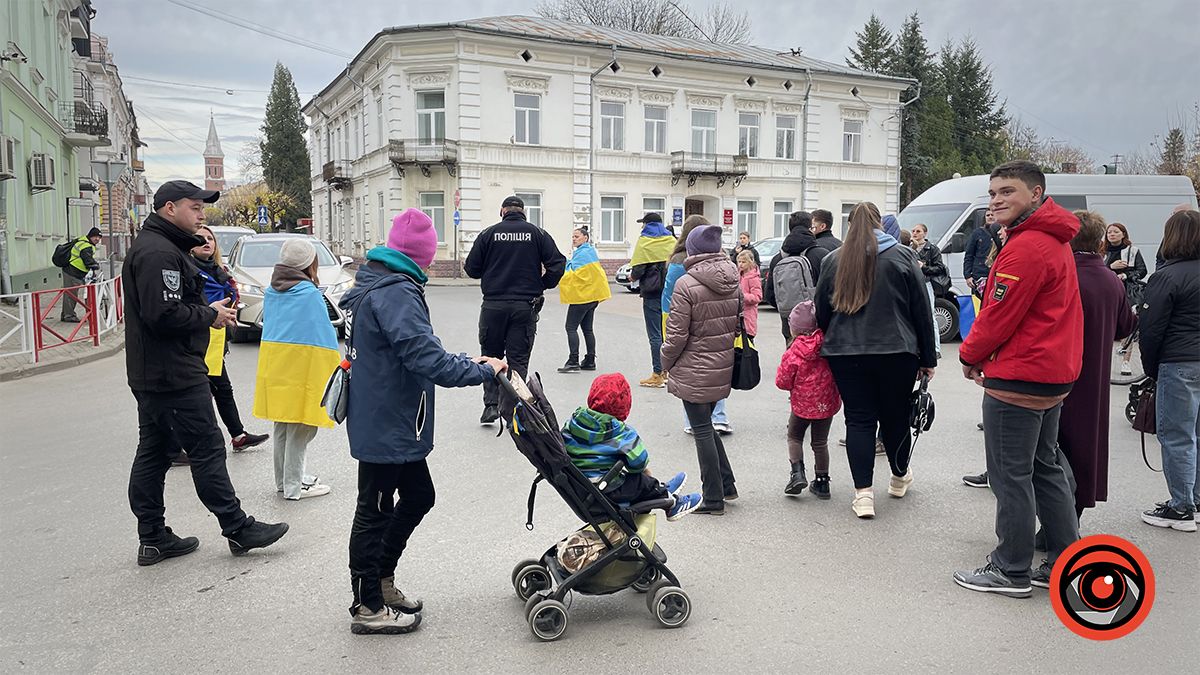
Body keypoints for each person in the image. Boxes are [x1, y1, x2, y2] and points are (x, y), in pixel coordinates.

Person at [341, 208, 508, 634]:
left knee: (418, 495)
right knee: (374, 511)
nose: (432, 264)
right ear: (421, 255)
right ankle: (368, 606)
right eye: (430, 256)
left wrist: (470, 361)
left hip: (388, 417)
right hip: (388, 420)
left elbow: (416, 349)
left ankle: (381, 579)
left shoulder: (381, 282)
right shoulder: (395, 291)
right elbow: (427, 359)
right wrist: (483, 370)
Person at [124, 180, 287, 566]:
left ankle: (152, 537)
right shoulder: (158, 253)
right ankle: (238, 528)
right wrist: (209, 314)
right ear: (169, 209)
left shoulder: (164, 247)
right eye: (195, 207)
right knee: (207, 448)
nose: (202, 215)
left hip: (158, 369)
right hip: (172, 371)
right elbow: (162, 314)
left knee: (155, 450)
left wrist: (206, 313)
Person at [954, 161, 1083, 597]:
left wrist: (970, 355)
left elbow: (998, 314)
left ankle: (1010, 568)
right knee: (1045, 467)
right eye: (992, 193)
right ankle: (1066, 560)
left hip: (1021, 376)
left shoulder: (1027, 246)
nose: (996, 200)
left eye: (1007, 191)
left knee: (1010, 475)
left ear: (1035, 192)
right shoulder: (1053, 240)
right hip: (1049, 373)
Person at [815, 202, 937, 519]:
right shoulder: (904, 256)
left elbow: (822, 312)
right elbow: (921, 311)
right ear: (880, 225)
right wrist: (927, 357)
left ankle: (863, 496)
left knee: (858, 420)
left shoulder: (833, 260)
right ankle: (898, 478)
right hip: (898, 352)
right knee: (895, 417)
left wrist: (836, 338)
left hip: (846, 352)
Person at [1056, 211, 1137, 526]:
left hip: (1058, 375)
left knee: (1054, 449)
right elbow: (1124, 327)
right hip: (1096, 376)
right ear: (1101, 241)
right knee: (1085, 445)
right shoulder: (1109, 279)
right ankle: (1073, 513)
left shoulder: (1063, 274)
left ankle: (1056, 524)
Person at [464, 195, 565, 424]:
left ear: (502, 211)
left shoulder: (488, 234)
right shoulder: (537, 234)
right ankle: (510, 412)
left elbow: (471, 268)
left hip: (493, 305)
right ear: (523, 212)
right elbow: (558, 264)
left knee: (491, 357)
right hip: (524, 306)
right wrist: (543, 283)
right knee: (518, 360)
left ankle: (490, 406)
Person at [252, 238, 339, 500]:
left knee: (284, 424)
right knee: (303, 426)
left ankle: (285, 479)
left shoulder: (272, 290)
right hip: (302, 367)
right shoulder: (309, 294)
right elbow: (323, 334)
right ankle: (293, 486)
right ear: (308, 264)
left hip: (277, 366)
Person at [661, 224, 740, 515]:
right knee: (706, 426)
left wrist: (664, 362)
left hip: (693, 367)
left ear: (692, 249)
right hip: (721, 364)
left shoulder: (686, 283)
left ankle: (713, 498)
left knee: (702, 430)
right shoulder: (734, 278)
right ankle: (727, 485)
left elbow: (676, 335)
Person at [562, 373, 703, 520]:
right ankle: (672, 503)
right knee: (640, 481)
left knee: (638, 481)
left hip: (581, 485)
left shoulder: (574, 421)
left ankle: (659, 488)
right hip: (607, 489)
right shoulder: (619, 432)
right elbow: (639, 463)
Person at [1139, 209, 1200, 532]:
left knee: (1177, 436)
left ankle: (1180, 507)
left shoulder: (1167, 276)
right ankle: (1196, 497)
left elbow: (1150, 329)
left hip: (1179, 360)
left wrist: (1151, 368)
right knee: (1197, 433)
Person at [191, 225, 269, 452]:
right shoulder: (189, 270)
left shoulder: (220, 271)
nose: (206, 242)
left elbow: (230, 298)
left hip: (216, 340)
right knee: (204, 393)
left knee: (221, 389)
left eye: (210, 238)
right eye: (200, 239)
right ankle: (183, 444)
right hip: (197, 340)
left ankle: (238, 435)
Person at [664, 215, 731, 435]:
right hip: (722, 338)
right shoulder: (729, 269)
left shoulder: (678, 264)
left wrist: (665, 362)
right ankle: (719, 418)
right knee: (716, 371)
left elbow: (676, 328)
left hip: (691, 334)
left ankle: (694, 423)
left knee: (693, 380)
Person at [776, 301, 840, 499]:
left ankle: (797, 473)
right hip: (825, 404)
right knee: (820, 442)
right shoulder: (828, 344)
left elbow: (782, 381)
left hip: (801, 405)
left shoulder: (794, 352)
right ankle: (822, 482)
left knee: (794, 436)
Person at [764, 211, 829, 342]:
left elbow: (769, 295)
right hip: (817, 324)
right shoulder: (822, 255)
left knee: (794, 358)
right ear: (810, 227)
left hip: (789, 326)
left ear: (790, 228)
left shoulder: (778, 258)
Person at [628, 212, 675, 388]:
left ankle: (657, 374)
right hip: (671, 293)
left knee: (655, 334)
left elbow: (638, 269)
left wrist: (633, 277)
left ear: (647, 225)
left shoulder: (644, 242)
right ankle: (668, 371)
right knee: (669, 332)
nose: (642, 227)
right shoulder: (671, 241)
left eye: (643, 224)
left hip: (652, 292)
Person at [556, 226, 610, 373]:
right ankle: (590, 360)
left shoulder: (582, 254)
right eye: (573, 237)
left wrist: (564, 263)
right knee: (587, 329)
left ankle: (573, 360)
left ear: (585, 238)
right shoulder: (590, 251)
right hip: (593, 297)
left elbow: (573, 274)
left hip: (582, 297)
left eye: (577, 236)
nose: (574, 239)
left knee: (570, 327)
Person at [1102, 222, 1148, 375]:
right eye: (1109, 232)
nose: (1112, 234)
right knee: (1106, 325)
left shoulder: (1132, 251)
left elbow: (1142, 270)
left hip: (1127, 292)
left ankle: (1126, 362)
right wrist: (1111, 268)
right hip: (1107, 291)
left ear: (1123, 234)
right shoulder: (1101, 251)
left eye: (1115, 231)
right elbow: (1096, 270)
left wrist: (1126, 275)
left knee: (1126, 326)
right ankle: (1103, 360)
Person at [59, 227, 102, 322]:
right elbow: (87, 260)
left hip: (73, 272)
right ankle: (69, 316)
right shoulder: (86, 246)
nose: (97, 239)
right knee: (71, 295)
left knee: (69, 294)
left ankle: (66, 314)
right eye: (95, 236)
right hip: (72, 272)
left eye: (99, 237)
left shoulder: (84, 242)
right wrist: (95, 265)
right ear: (90, 236)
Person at [963, 208, 1000, 295]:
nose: (990, 217)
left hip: (996, 273)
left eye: (992, 215)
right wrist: (968, 275)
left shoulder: (1001, 232)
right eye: (988, 215)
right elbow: (969, 255)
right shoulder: (977, 233)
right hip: (980, 275)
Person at [736, 250, 762, 340]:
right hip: (738, 316)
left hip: (748, 315)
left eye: (743, 262)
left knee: (748, 346)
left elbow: (757, 297)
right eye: (739, 262)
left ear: (750, 262)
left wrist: (742, 296)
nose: (741, 264)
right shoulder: (738, 275)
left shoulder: (753, 278)